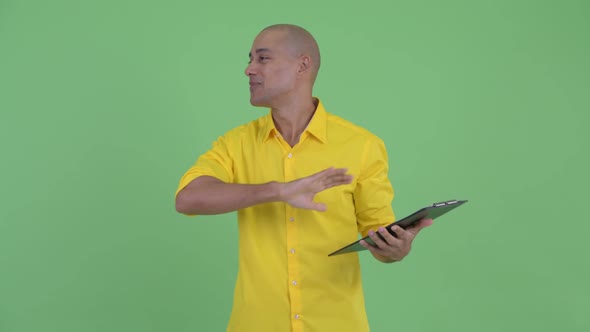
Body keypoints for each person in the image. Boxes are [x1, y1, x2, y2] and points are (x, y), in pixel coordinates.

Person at [175, 24, 433, 332]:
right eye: (250, 59)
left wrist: (395, 249)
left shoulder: (363, 146)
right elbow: (188, 198)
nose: (248, 69)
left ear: (302, 64)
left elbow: (377, 233)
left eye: (262, 59)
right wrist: (278, 191)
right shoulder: (236, 144)